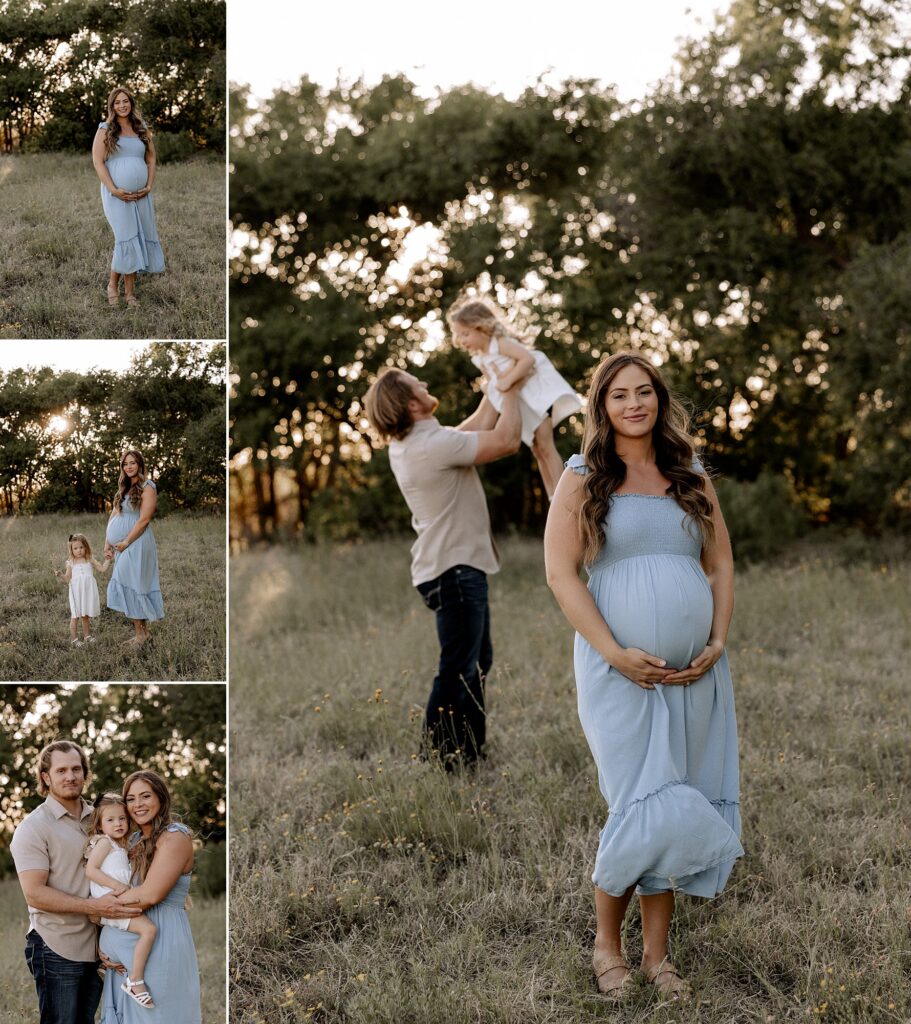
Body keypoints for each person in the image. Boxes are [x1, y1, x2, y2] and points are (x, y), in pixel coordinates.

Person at [544, 352, 743, 1002]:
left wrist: (715, 639)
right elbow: (560, 573)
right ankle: (608, 943)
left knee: (675, 797)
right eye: (619, 394)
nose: (634, 404)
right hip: (617, 672)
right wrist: (613, 651)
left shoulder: (687, 473)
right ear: (601, 406)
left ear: (658, 398)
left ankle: (656, 956)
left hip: (693, 674)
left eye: (644, 392)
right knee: (636, 801)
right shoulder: (582, 476)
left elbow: (719, 564)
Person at [363, 367, 523, 768]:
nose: (428, 383)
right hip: (455, 571)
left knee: (475, 665)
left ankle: (468, 752)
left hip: (449, 568)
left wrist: (496, 387)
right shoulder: (432, 445)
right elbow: (506, 440)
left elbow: (473, 429)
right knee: (458, 668)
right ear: (413, 403)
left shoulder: (420, 442)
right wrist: (515, 391)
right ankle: (439, 759)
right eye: (421, 384)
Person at [9, 740, 140, 1024]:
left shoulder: (102, 817)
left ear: (84, 773)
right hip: (57, 945)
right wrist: (96, 906)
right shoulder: (33, 828)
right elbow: (35, 894)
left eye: (76, 769)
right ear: (46, 777)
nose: (70, 776)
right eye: (61, 770)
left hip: (98, 946)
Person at [447, 295, 583, 498]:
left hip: (537, 394)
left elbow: (527, 360)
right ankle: (552, 495)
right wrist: (491, 386)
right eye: (459, 335)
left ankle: (563, 497)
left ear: (481, 327)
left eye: (465, 334)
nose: (461, 340)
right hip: (522, 402)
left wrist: (507, 380)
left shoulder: (499, 343)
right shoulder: (481, 358)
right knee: (537, 449)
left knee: (545, 445)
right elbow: (494, 383)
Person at [98, 770, 201, 1024]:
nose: (138, 805)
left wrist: (99, 909)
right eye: (131, 799)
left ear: (161, 798)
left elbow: (151, 894)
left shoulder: (175, 837)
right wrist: (106, 935)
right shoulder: (131, 840)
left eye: (145, 796)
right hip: (128, 948)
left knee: (161, 1014)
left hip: (163, 939)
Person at [91, 87, 165, 308]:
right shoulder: (105, 129)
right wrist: (113, 189)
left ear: (131, 104)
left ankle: (130, 293)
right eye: (117, 102)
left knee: (136, 236)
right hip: (116, 194)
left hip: (141, 194)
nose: (122, 105)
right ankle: (113, 286)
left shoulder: (141, 129)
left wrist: (149, 185)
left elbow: (151, 159)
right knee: (125, 237)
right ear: (112, 106)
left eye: (125, 101)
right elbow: (98, 161)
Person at [84, 793, 158, 1009]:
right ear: (99, 824)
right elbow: (91, 870)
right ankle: (135, 981)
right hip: (112, 905)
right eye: (110, 820)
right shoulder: (104, 843)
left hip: (120, 904)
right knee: (149, 931)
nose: (118, 823)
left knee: (142, 934)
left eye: (122, 819)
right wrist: (117, 887)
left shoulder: (121, 847)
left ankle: (111, 965)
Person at [105, 449, 164, 646]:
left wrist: (127, 541)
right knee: (130, 584)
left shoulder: (148, 487)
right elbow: (114, 514)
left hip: (137, 542)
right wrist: (108, 542)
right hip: (121, 544)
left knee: (131, 582)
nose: (128, 467)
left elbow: (144, 519)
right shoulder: (123, 487)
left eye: (132, 463)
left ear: (140, 464)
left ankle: (141, 635)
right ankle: (142, 633)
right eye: (125, 464)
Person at [54, 533, 110, 646]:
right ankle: (74, 640)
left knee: (85, 615)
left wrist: (108, 559)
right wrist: (61, 575)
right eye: (75, 548)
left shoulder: (89, 559)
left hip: (87, 591)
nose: (79, 550)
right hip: (76, 592)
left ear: (86, 547)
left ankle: (87, 636)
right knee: (75, 615)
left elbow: (102, 569)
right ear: (71, 549)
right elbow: (67, 579)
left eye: (81, 547)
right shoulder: (70, 562)